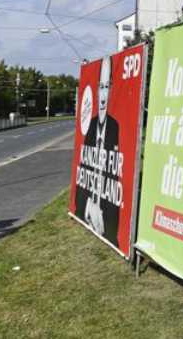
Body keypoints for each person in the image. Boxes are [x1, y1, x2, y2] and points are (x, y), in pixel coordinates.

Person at [72, 55, 122, 246]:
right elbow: (83, 171)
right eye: (100, 87)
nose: (103, 95)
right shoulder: (91, 126)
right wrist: (86, 207)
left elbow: (116, 178)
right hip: (87, 210)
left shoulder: (115, 127)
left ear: (111, 90)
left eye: (107, 87)